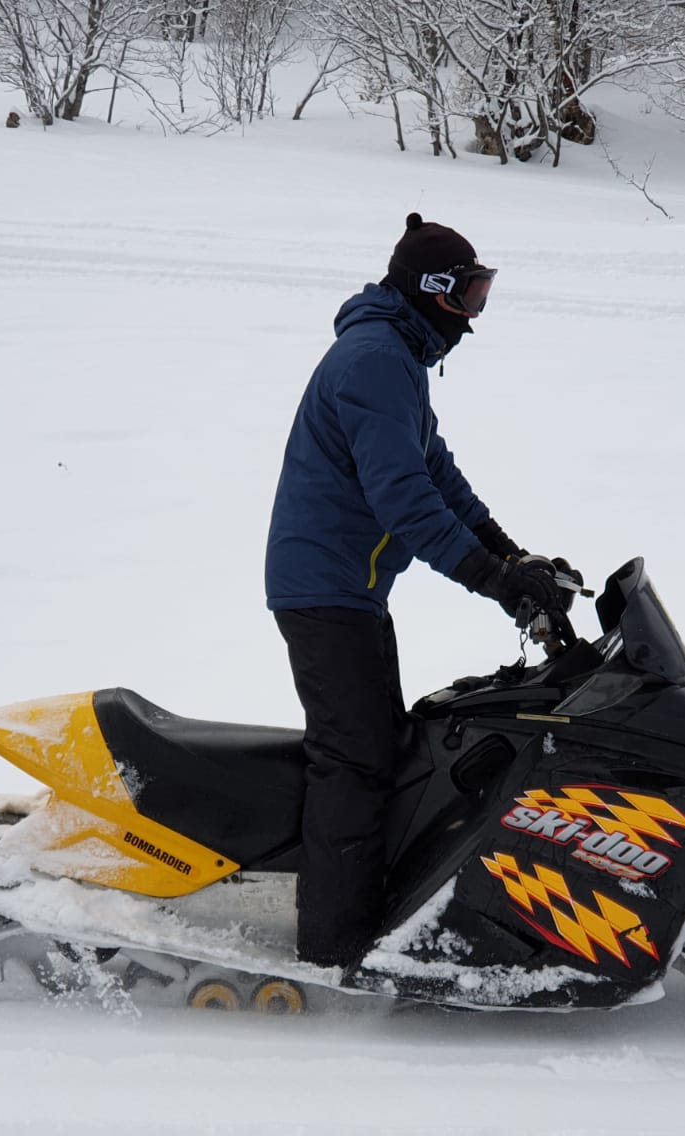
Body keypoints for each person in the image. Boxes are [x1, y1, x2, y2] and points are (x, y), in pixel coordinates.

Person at [265, 211, 581, 971]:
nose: (473, 317)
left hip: (350, 589)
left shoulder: (395, 356)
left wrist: (513, 554)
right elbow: (403, 499)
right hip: (325, 588)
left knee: (390, 747)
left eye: (482, 295)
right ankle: (334, 945)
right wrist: (494, 582)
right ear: (433, 289)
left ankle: (370, 902)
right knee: (355, 759)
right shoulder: (376, 359)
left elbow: (439, 475)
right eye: (470, 296)